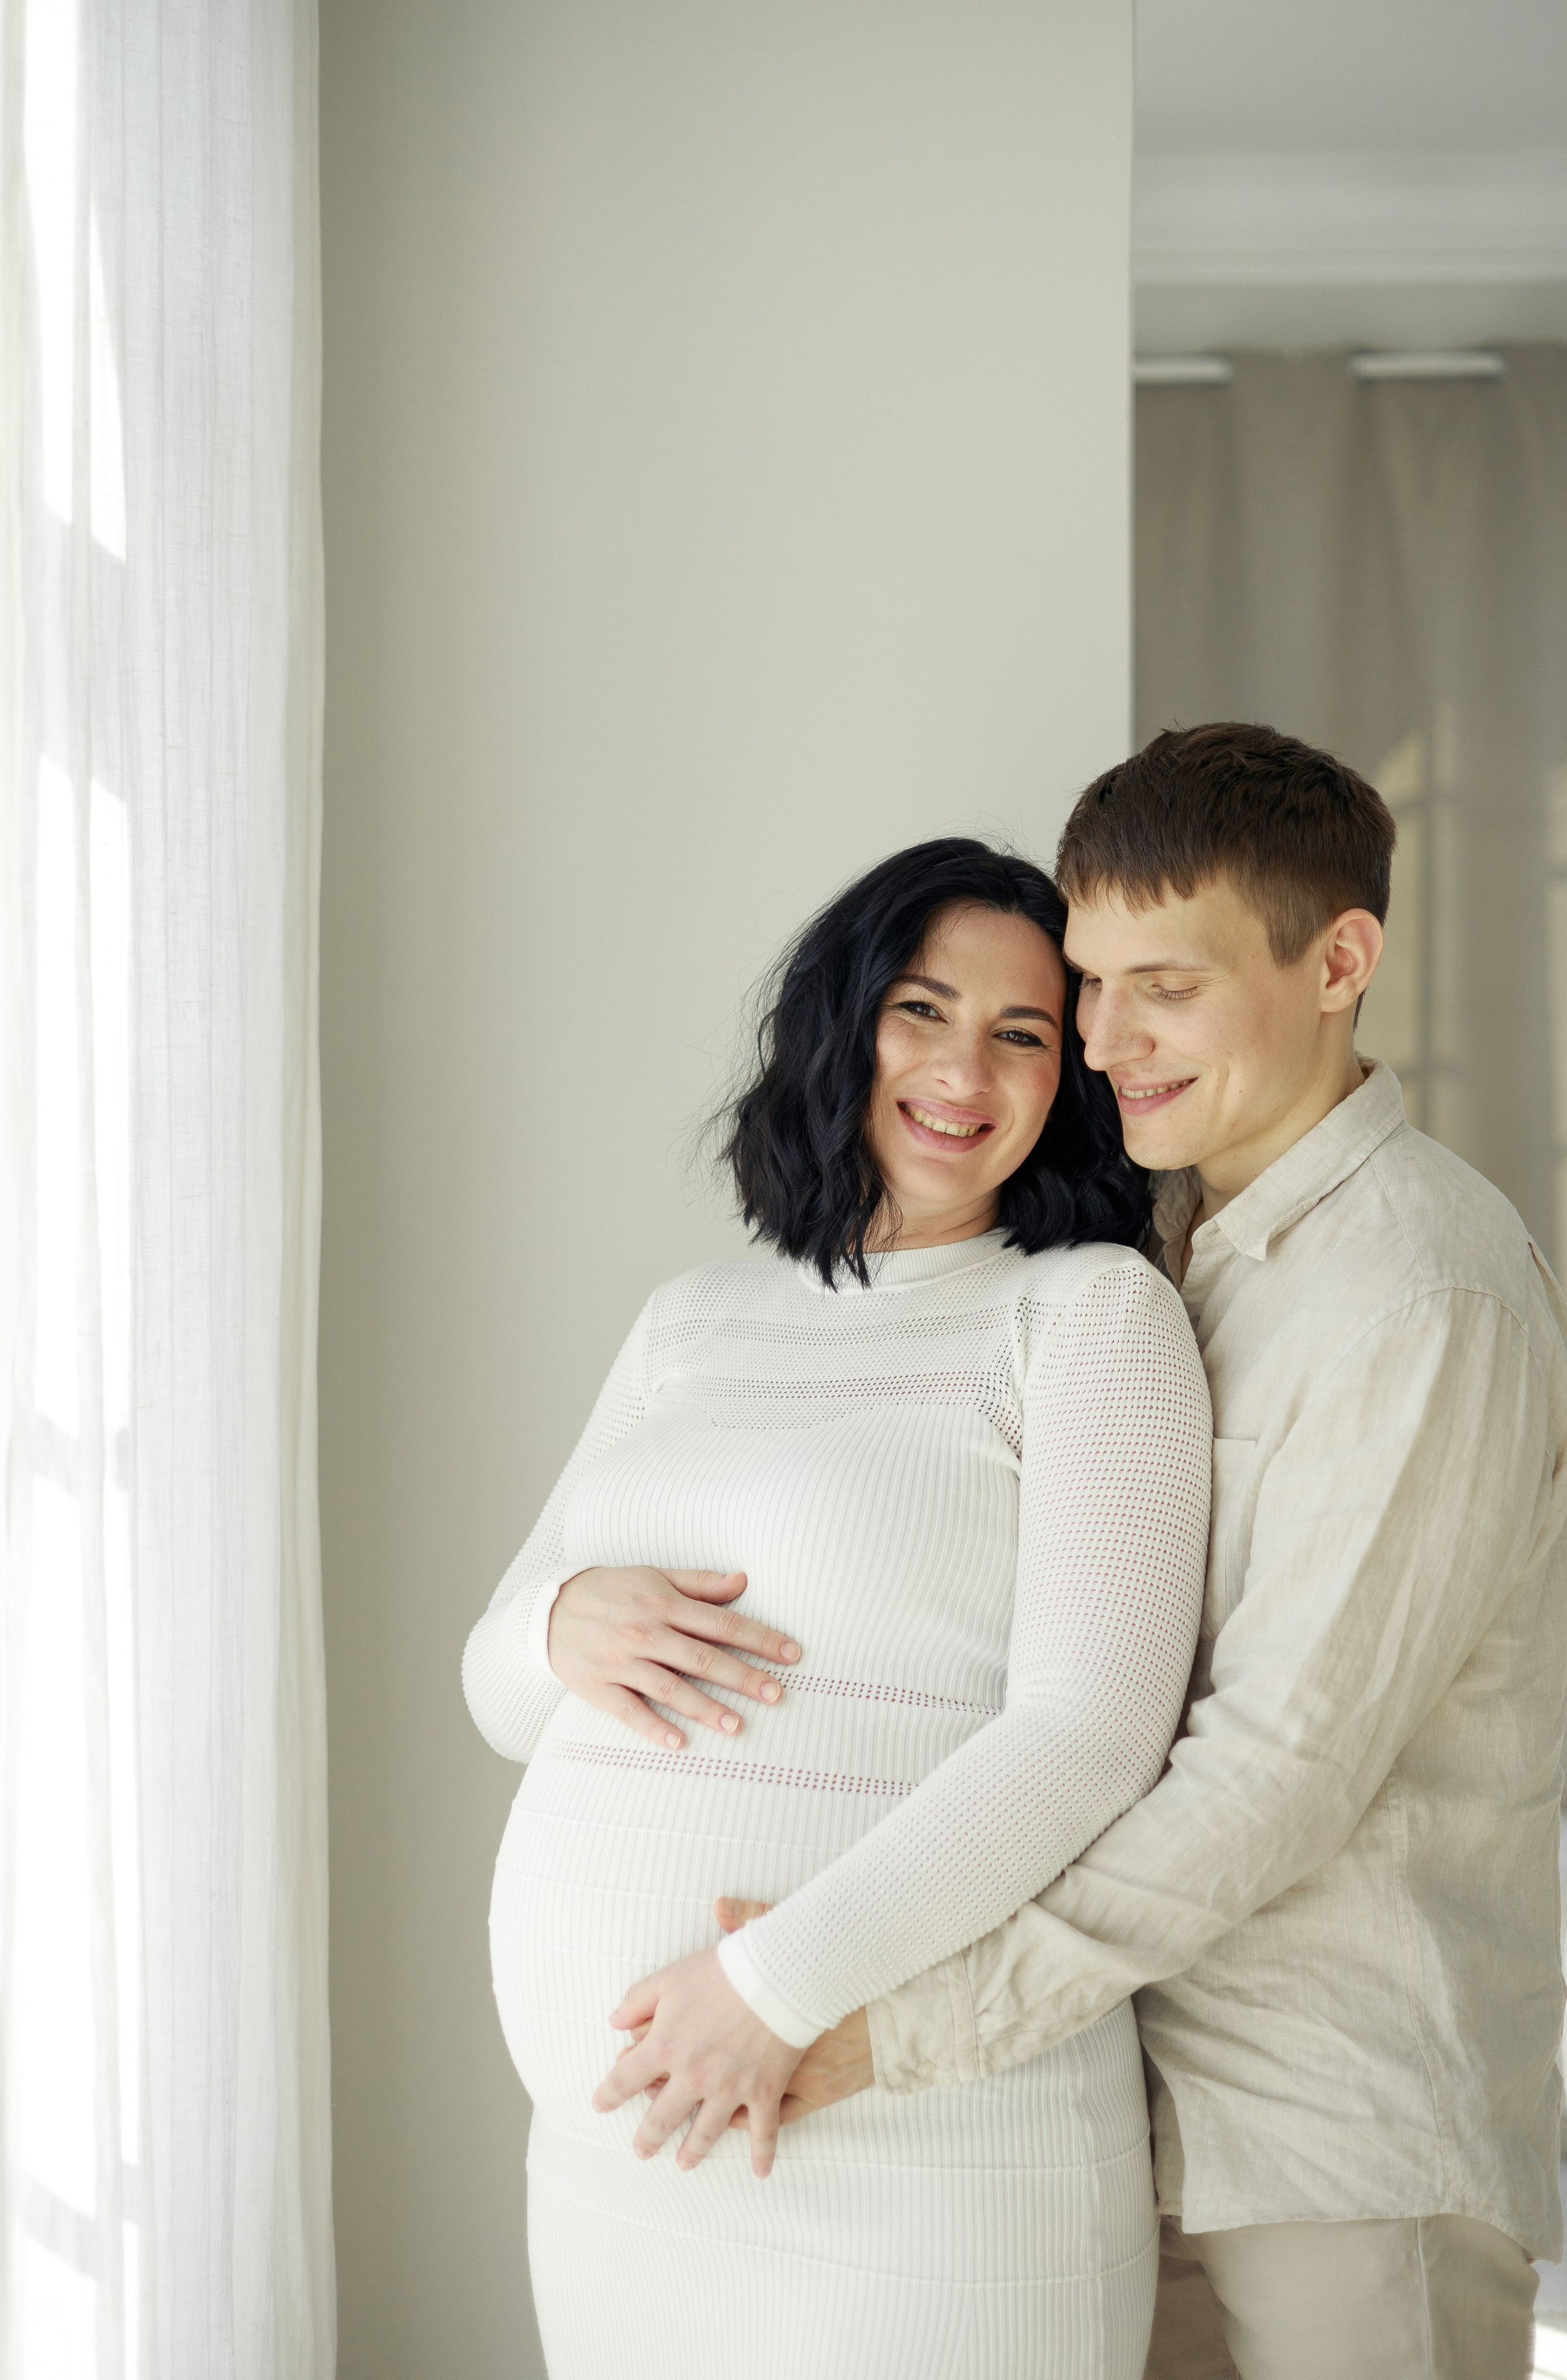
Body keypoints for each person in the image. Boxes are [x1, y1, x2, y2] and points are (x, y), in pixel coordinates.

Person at [572, 725, 1567, 2380]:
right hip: (1124, 2096)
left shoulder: (1420, 1290)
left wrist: (874, 2017)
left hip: (1335, 2138)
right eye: (1091, 986)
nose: (1108, 1041)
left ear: (1341, 962)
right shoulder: (1170, 1258)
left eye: (1162, 987)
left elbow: (1276, 1773)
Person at [462, 837, 1212, 2380]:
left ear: (1066, 1077)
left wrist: (766, 1988)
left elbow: (1090, 1738)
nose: (961, 1071)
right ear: (842, 1022)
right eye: (920, 1011)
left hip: (913, 2133)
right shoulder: (692, 1323)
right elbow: (494, 1696)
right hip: (622, 2162)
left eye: (1019, 1034)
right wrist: (557, 1624)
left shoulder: (1084, 1316)